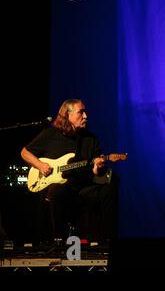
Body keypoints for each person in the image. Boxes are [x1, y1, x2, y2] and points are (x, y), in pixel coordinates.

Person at [21, 99, 117, 242]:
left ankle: (108, 242)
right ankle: (59, 241)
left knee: (109, 189)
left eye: (85, 112)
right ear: (68, 115)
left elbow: (97, 170)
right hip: (62, 187)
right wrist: (40, 165)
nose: (86, 116)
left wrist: (98, 168)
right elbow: (25, 152)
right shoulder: (51, 134)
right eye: (81, 112)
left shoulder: (90, 139)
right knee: (57, 191)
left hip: (83, 187)